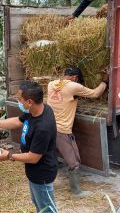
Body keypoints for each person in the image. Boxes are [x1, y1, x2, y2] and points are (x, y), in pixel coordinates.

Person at [0, 81, 58, 213]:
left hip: (42, 173)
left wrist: (9, 155)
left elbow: (33, 158)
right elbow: (17, 121)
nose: (18, 102)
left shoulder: (43, 127)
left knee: (47, 209)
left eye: (19, 99)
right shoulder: (37, 110)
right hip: (34, 172)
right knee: (38, 204)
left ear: (29, 102)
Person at [47, 67, 108, 197]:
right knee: (74, 162)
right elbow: (95, 94)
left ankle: (46, 184)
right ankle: (76, 191)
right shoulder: (73, 86)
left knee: (50, 157)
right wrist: (105, 82)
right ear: (75, 78)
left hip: (49, 127)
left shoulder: (51, 84)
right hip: (62, 130)